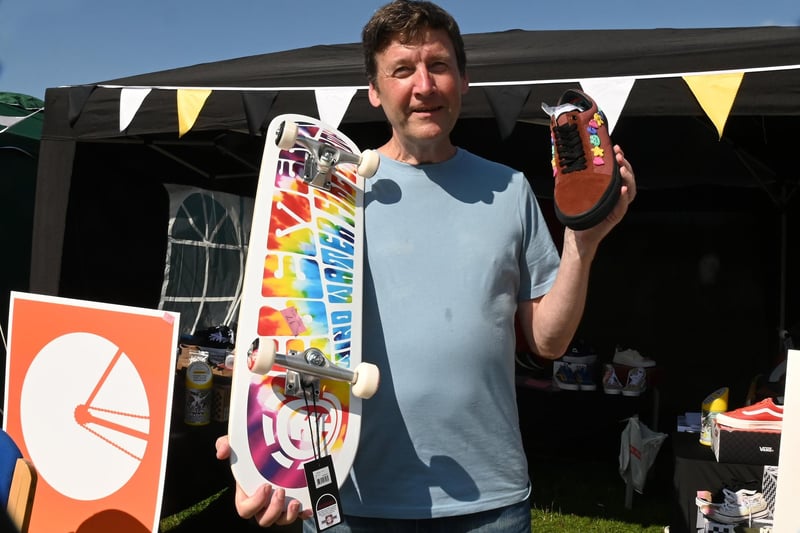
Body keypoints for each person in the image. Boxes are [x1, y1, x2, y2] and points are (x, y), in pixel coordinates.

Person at [215, 0, 636, 530]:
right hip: (348, 497)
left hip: (490, 503)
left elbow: (548, 342)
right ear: (374, 90)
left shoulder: (509, 190)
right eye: (401, 70)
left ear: (463, 80)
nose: (424, 85)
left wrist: (584, 240)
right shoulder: (326, 193)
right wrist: (258, 449)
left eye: (438, 66)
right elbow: (283, 326)